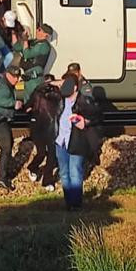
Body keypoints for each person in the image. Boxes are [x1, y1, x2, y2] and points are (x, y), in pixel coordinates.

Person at [53, 74, 97, 211]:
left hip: (77, 142)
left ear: (75, 87)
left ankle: (76, 204)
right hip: (61, 142)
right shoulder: (60, 101)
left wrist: (85, 122)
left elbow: (96, 117)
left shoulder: (84, 101)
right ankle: (69, 202)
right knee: (64, 173)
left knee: (75, 172)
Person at [0, 66, 22, 192]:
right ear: (8, 75)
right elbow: (0, 100)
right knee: (6, 147)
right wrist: (14, 104)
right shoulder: (3, 87)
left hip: (1, 119)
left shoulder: (5, 83)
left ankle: (3, 175)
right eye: (15, 77)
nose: (17, 79)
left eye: (18, 77)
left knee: (8, 145)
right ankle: (1, 178)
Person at [67, 62, 104, 175]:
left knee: (88, 146)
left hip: (85, 122)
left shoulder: (85, 86)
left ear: (79, 72)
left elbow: (88, 107)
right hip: (75, 122)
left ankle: (91, 160)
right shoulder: (71, 84)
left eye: (74, 73)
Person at [26, 74, 61, 191]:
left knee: (51, 154)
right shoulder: (37, 93)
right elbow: (27, 106)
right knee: (41, 152)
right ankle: (32, 167)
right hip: (38, 127)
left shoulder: (55, 95)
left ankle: (47, 181)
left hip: (51, 127)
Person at [14, 23, 54, 101]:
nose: (36, 30)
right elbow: (16, 47)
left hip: (33, 79)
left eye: (39, 30)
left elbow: (27, 54)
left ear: (46, 35)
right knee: (19, 99)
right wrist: (14, 32)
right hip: (24, 77)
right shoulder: (32, 42)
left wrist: (25, 41)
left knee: (31, 102)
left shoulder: (44, 45)